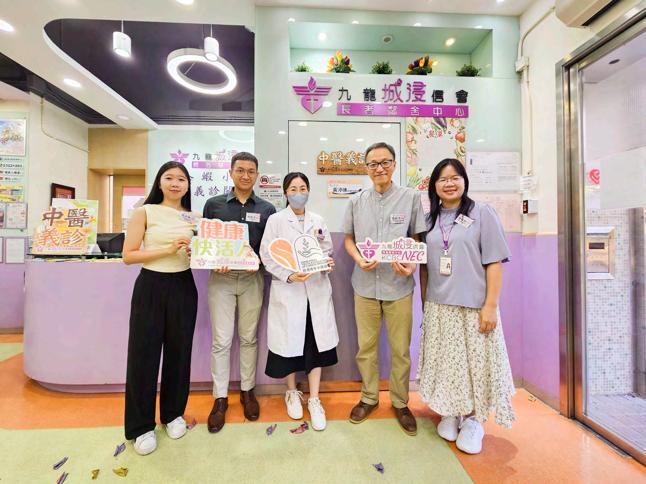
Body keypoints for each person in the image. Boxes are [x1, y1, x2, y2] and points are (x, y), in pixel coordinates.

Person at [417, 158, 515, 455]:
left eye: (455, 177)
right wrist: (425, 305)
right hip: (440, 307)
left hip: (474, 306)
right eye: (442, 179)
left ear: (464, 180)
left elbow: (494, 262)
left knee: (476, 367)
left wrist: (491, 306)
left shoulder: (482, 213)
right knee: (447, 364)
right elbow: (425, 268)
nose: (449, 183)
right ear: (434, 186)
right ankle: (450, 411)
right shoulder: (429, 221)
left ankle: (473, 420)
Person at [343, 142, 426, 436]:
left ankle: (401, 402)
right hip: (364, 285)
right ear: (366, 168)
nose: (379, 168)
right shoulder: (356, 201)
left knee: (400, 349)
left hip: (399, 286)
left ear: (394, 164)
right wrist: (358, 259)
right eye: (373, 164)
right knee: (366, 347)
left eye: (385, 162)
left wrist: (411, 263)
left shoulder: (410, 197)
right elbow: (349, 239)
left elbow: (416, 238)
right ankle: (369, 397)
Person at [122, 161, 199, 456]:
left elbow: (204, 252)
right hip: (151, 286)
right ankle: (141, 427)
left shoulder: (193, 217)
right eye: (169, 178)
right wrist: (167, 250)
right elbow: (129, 255)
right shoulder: (144, 211)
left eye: (181, 179)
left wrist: (198, 251)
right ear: (159, 182)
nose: (175, 183)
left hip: (183, 286)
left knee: (180, 354)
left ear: (188, 185)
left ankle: (173, 414)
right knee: (143, 356)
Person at [202, 152, 276, 433]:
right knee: (221, 341)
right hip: (221, 279)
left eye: (251, 171)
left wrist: (259, 263)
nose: (246, 175)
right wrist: (213, 260)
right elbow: (206, 243)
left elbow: (269, 247)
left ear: (257, 175)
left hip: (252, 279)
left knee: (248, 338)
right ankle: (220, 398)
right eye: (240, 170)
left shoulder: (267, 209)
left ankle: (247, 391)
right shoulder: (214, 205)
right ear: (231, 173)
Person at [260, 172, 338, 431]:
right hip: (289, 292)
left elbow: (326, 250)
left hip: (315, 291)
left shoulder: (318, 220)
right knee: (288, 346)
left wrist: (326, 263)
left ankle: (314, 398)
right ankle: (292, 392)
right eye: (293, 188)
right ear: (285, 193)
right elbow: (267, 255)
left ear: (309, 191)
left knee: (315, 346)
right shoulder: (276, 220)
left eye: (302, 188)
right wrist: (289, 275)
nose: (298, 193)